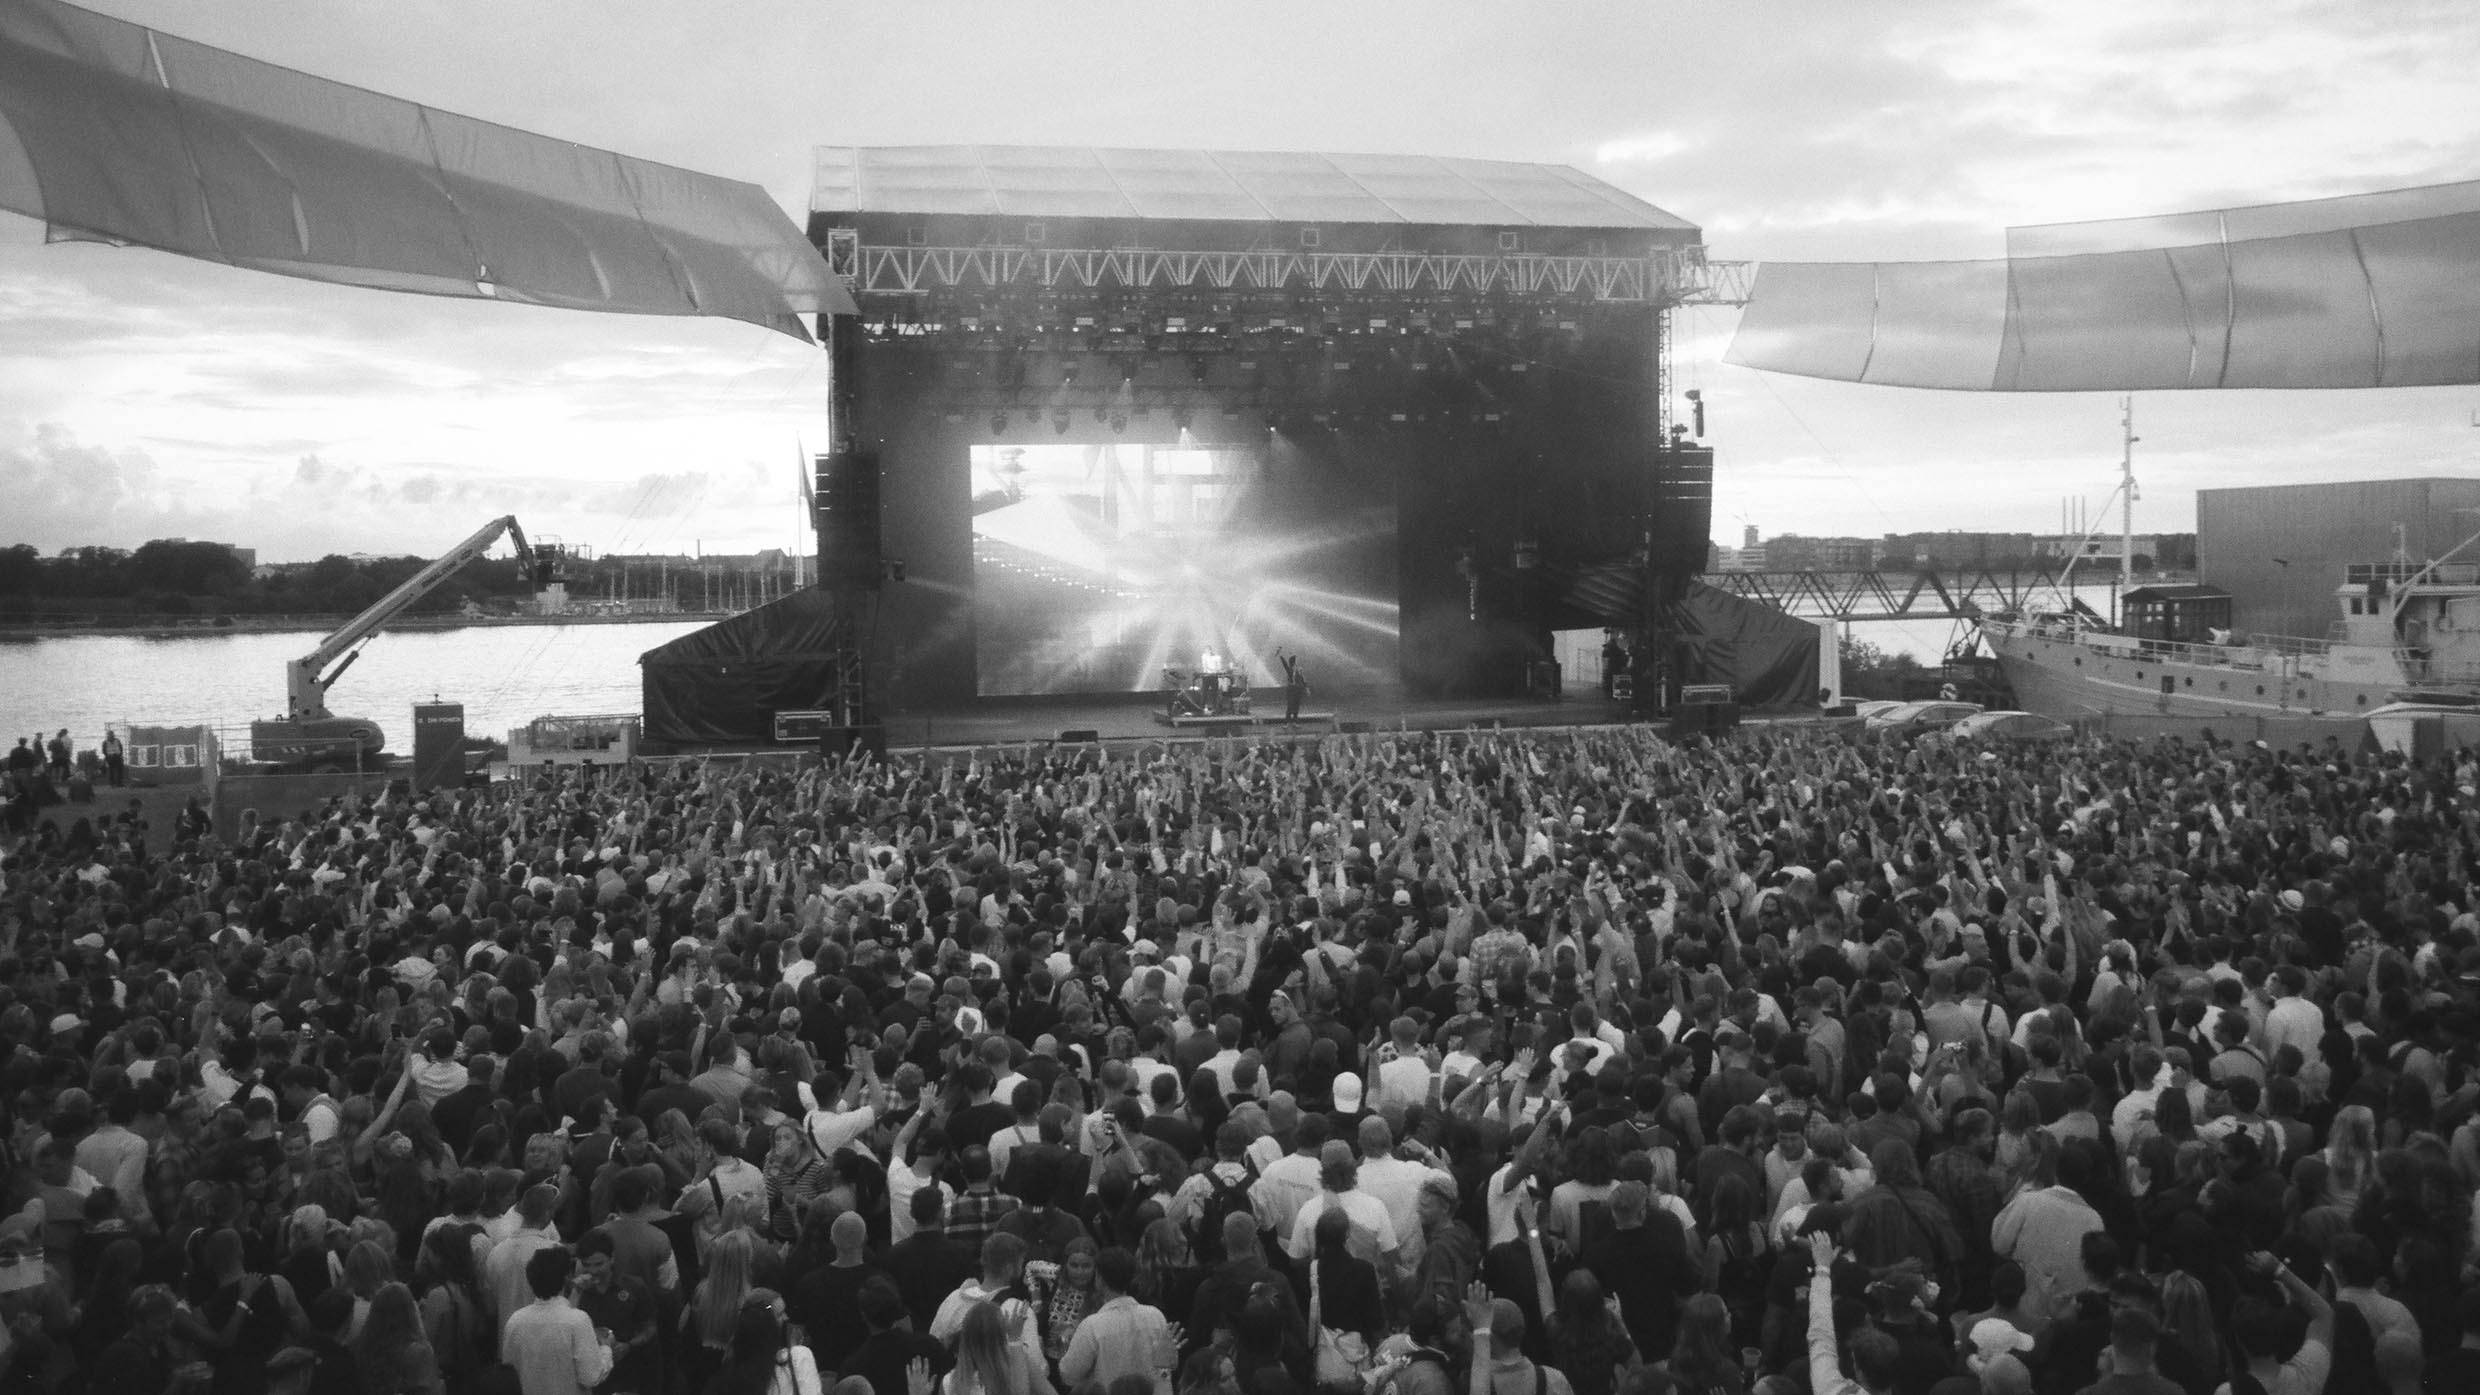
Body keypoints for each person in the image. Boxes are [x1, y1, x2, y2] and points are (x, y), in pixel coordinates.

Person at [1059, 1246, 1175, 1395]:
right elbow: (1165, 1368)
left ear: (1099, 1278)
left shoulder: (1092, 1326)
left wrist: (1064, 1344)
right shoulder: (1156, 1316)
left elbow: (1069, 1376)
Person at [500, 1246, 613, 1395]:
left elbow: (509, 1374)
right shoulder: (578, 1321)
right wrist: (606, 1348)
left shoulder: (515, 1321)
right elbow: (591, 1377)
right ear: (567, 1277)